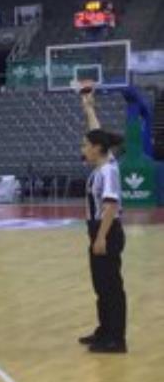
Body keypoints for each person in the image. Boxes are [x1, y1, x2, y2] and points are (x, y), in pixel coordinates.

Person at [78, 90, 127, 353]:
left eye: (85, 145)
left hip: (106, 230)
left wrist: (100, 238)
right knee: (101, 285)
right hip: (98, 230)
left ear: (97, 149)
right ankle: (104, 330)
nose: (83, 149)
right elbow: (99, 133)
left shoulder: (108, 171)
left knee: (111, 286)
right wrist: (89, 109)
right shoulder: (105, 161)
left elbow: (110, 206)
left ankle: (116, 338)